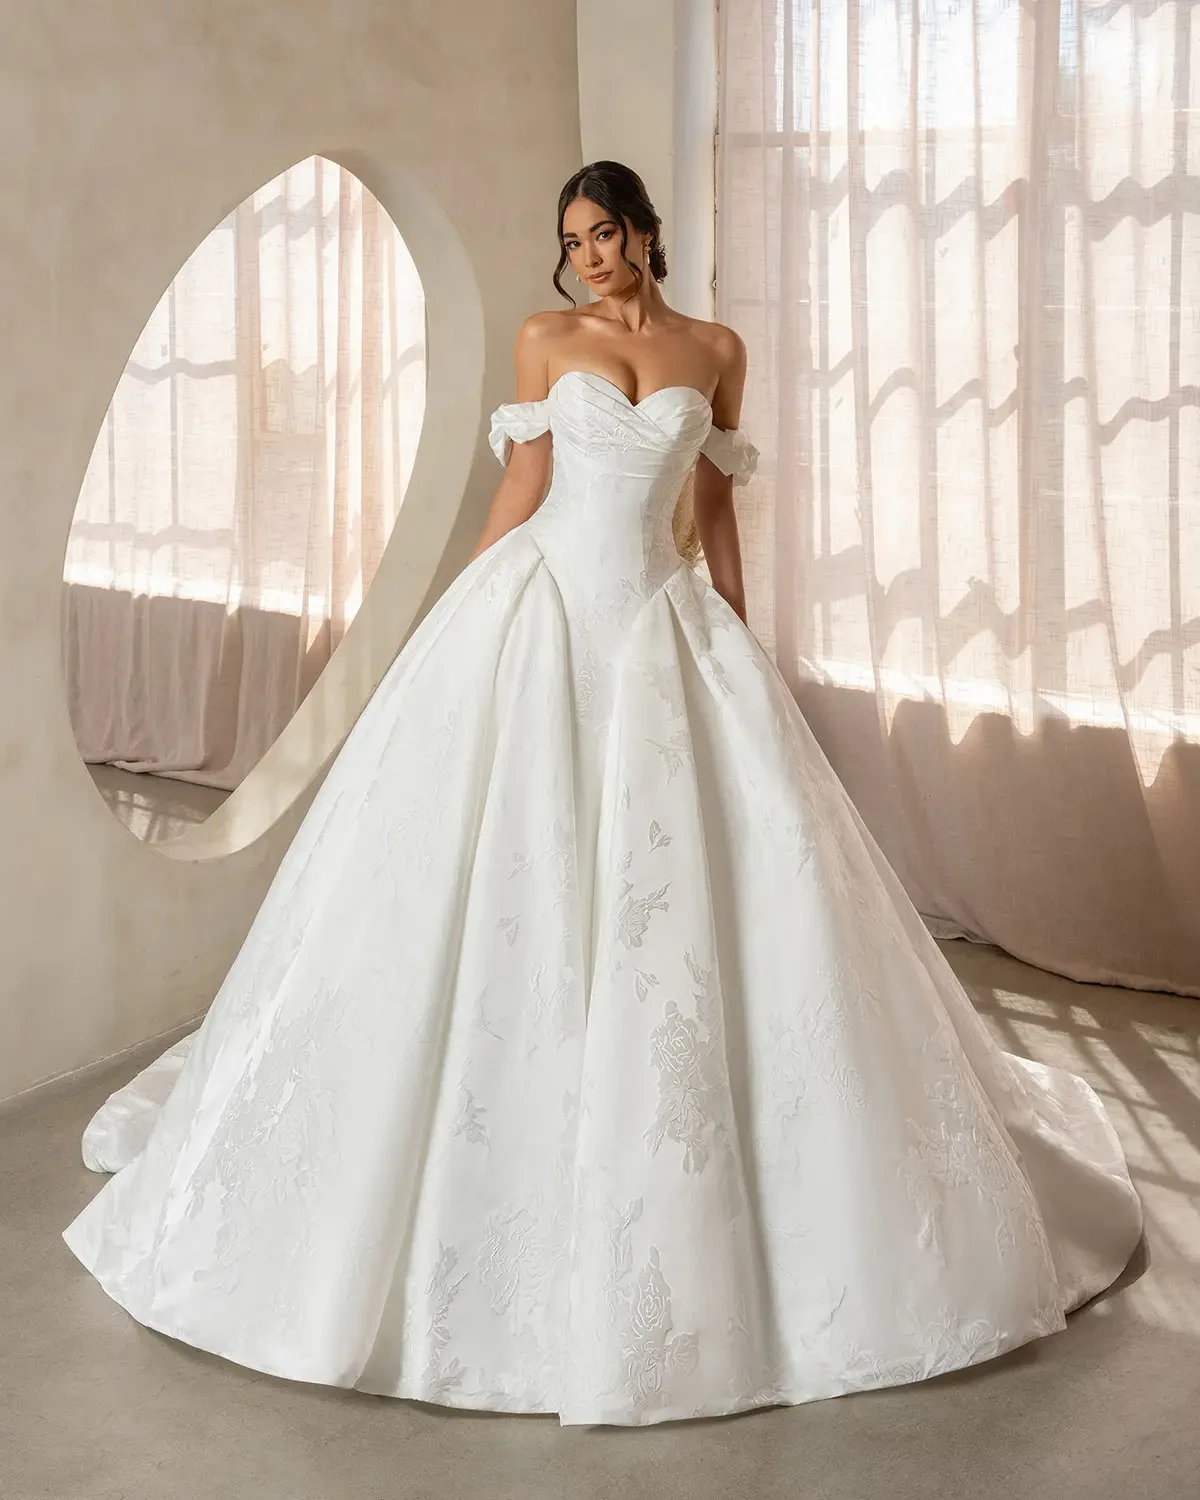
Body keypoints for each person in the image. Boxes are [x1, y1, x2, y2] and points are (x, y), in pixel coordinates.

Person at [62, 160, 1143, 1428]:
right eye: (571, 238)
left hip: (661, 624)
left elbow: (712, 499)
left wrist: (738, 624)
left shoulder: (715, 349)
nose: (585, 255)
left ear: (643, 233)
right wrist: (456, 616)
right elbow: (523, 488)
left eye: (603, 234)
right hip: (538, 616)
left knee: (697, 895)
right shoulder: (546, 338)